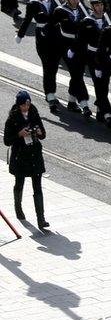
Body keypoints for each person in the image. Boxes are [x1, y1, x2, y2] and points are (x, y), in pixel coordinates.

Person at [4, 90, 47, 228]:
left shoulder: (34, 113)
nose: (26, 108)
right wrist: (19, 134)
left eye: (27, 105)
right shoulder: (12, 118)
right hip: (20, 155)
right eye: (23, 105)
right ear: (19, 105)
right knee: (19, 182)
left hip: (34, 154)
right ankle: (18, 208)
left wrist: (39, 132)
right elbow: (6, 141)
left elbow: (43, 134)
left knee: (37, 186)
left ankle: (41, 219)